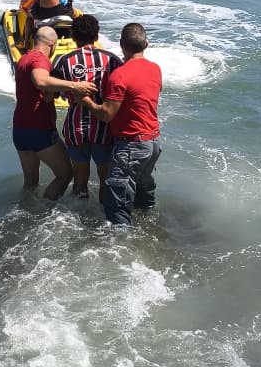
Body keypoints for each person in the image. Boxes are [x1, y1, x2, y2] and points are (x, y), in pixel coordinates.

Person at [79, 22, 162, 226]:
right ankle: (150, 231)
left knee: (116, 203)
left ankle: (121, 241)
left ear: (121, 44)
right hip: (153, 143)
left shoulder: (120, 75)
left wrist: (85, 100)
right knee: (144, 198)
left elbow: (106, 114)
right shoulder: (155, 69)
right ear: (146, 44)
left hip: (131, 145)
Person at [12, 25, 96, 200]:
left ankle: (26, 211)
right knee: (65, 175)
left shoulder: (23, 59)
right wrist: (75, 85)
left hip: (19, 129)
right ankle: (46, 211)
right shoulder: (40, 59)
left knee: (30, 183)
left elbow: (42, 94)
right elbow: (40, 81)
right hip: (39, 128)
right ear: (52, 44)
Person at [52, 14, 122, 201]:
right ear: (97, 36)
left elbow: (51, 94)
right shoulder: (112, 60)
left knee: (80, 179)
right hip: (104, 130)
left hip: (76, 129)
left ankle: (78, 213)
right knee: (106, 180)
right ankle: (103, 214)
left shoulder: (64, 60)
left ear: (73, 37)